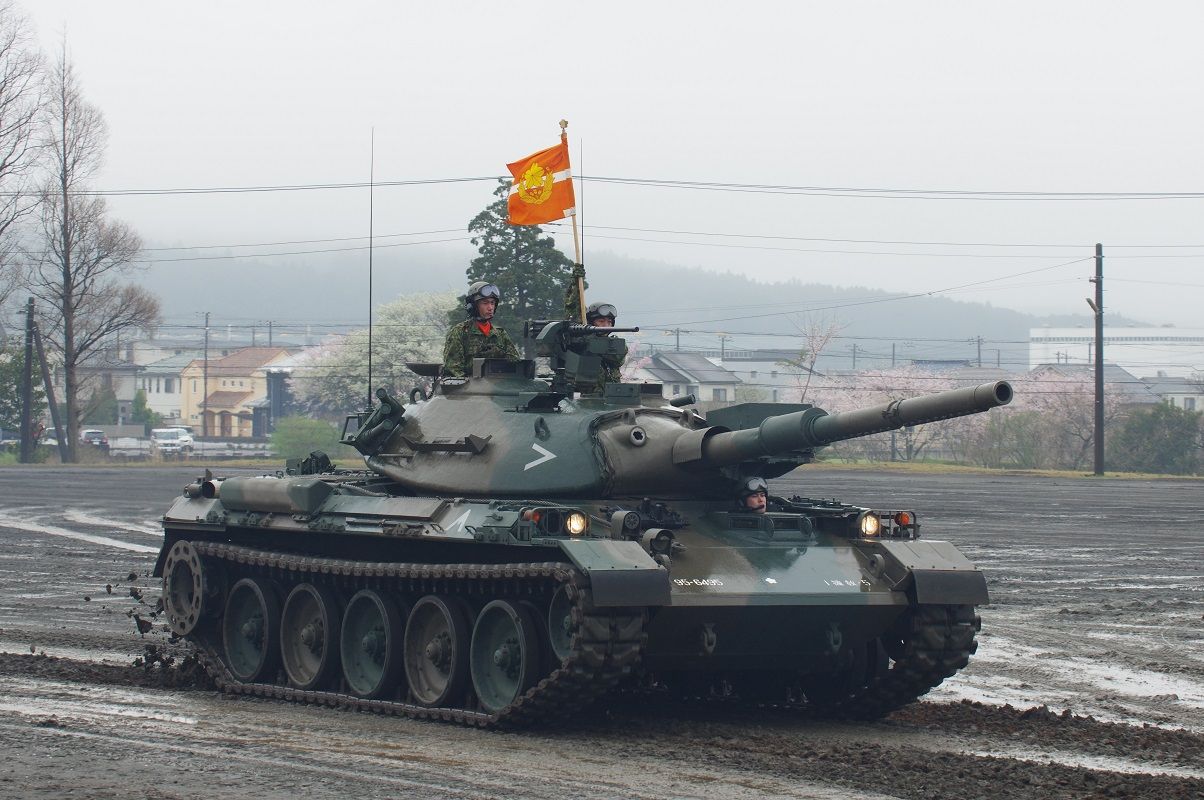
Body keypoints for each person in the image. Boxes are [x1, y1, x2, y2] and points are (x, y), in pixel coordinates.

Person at [441, 280, 521, 378]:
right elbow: (453, 370)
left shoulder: (500, 334)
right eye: (485, 303)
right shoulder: (460, 332)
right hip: (469, 385)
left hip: (498, 384)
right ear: (473, 306)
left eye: (492, 303)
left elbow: (515, 363)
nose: (490, 307)